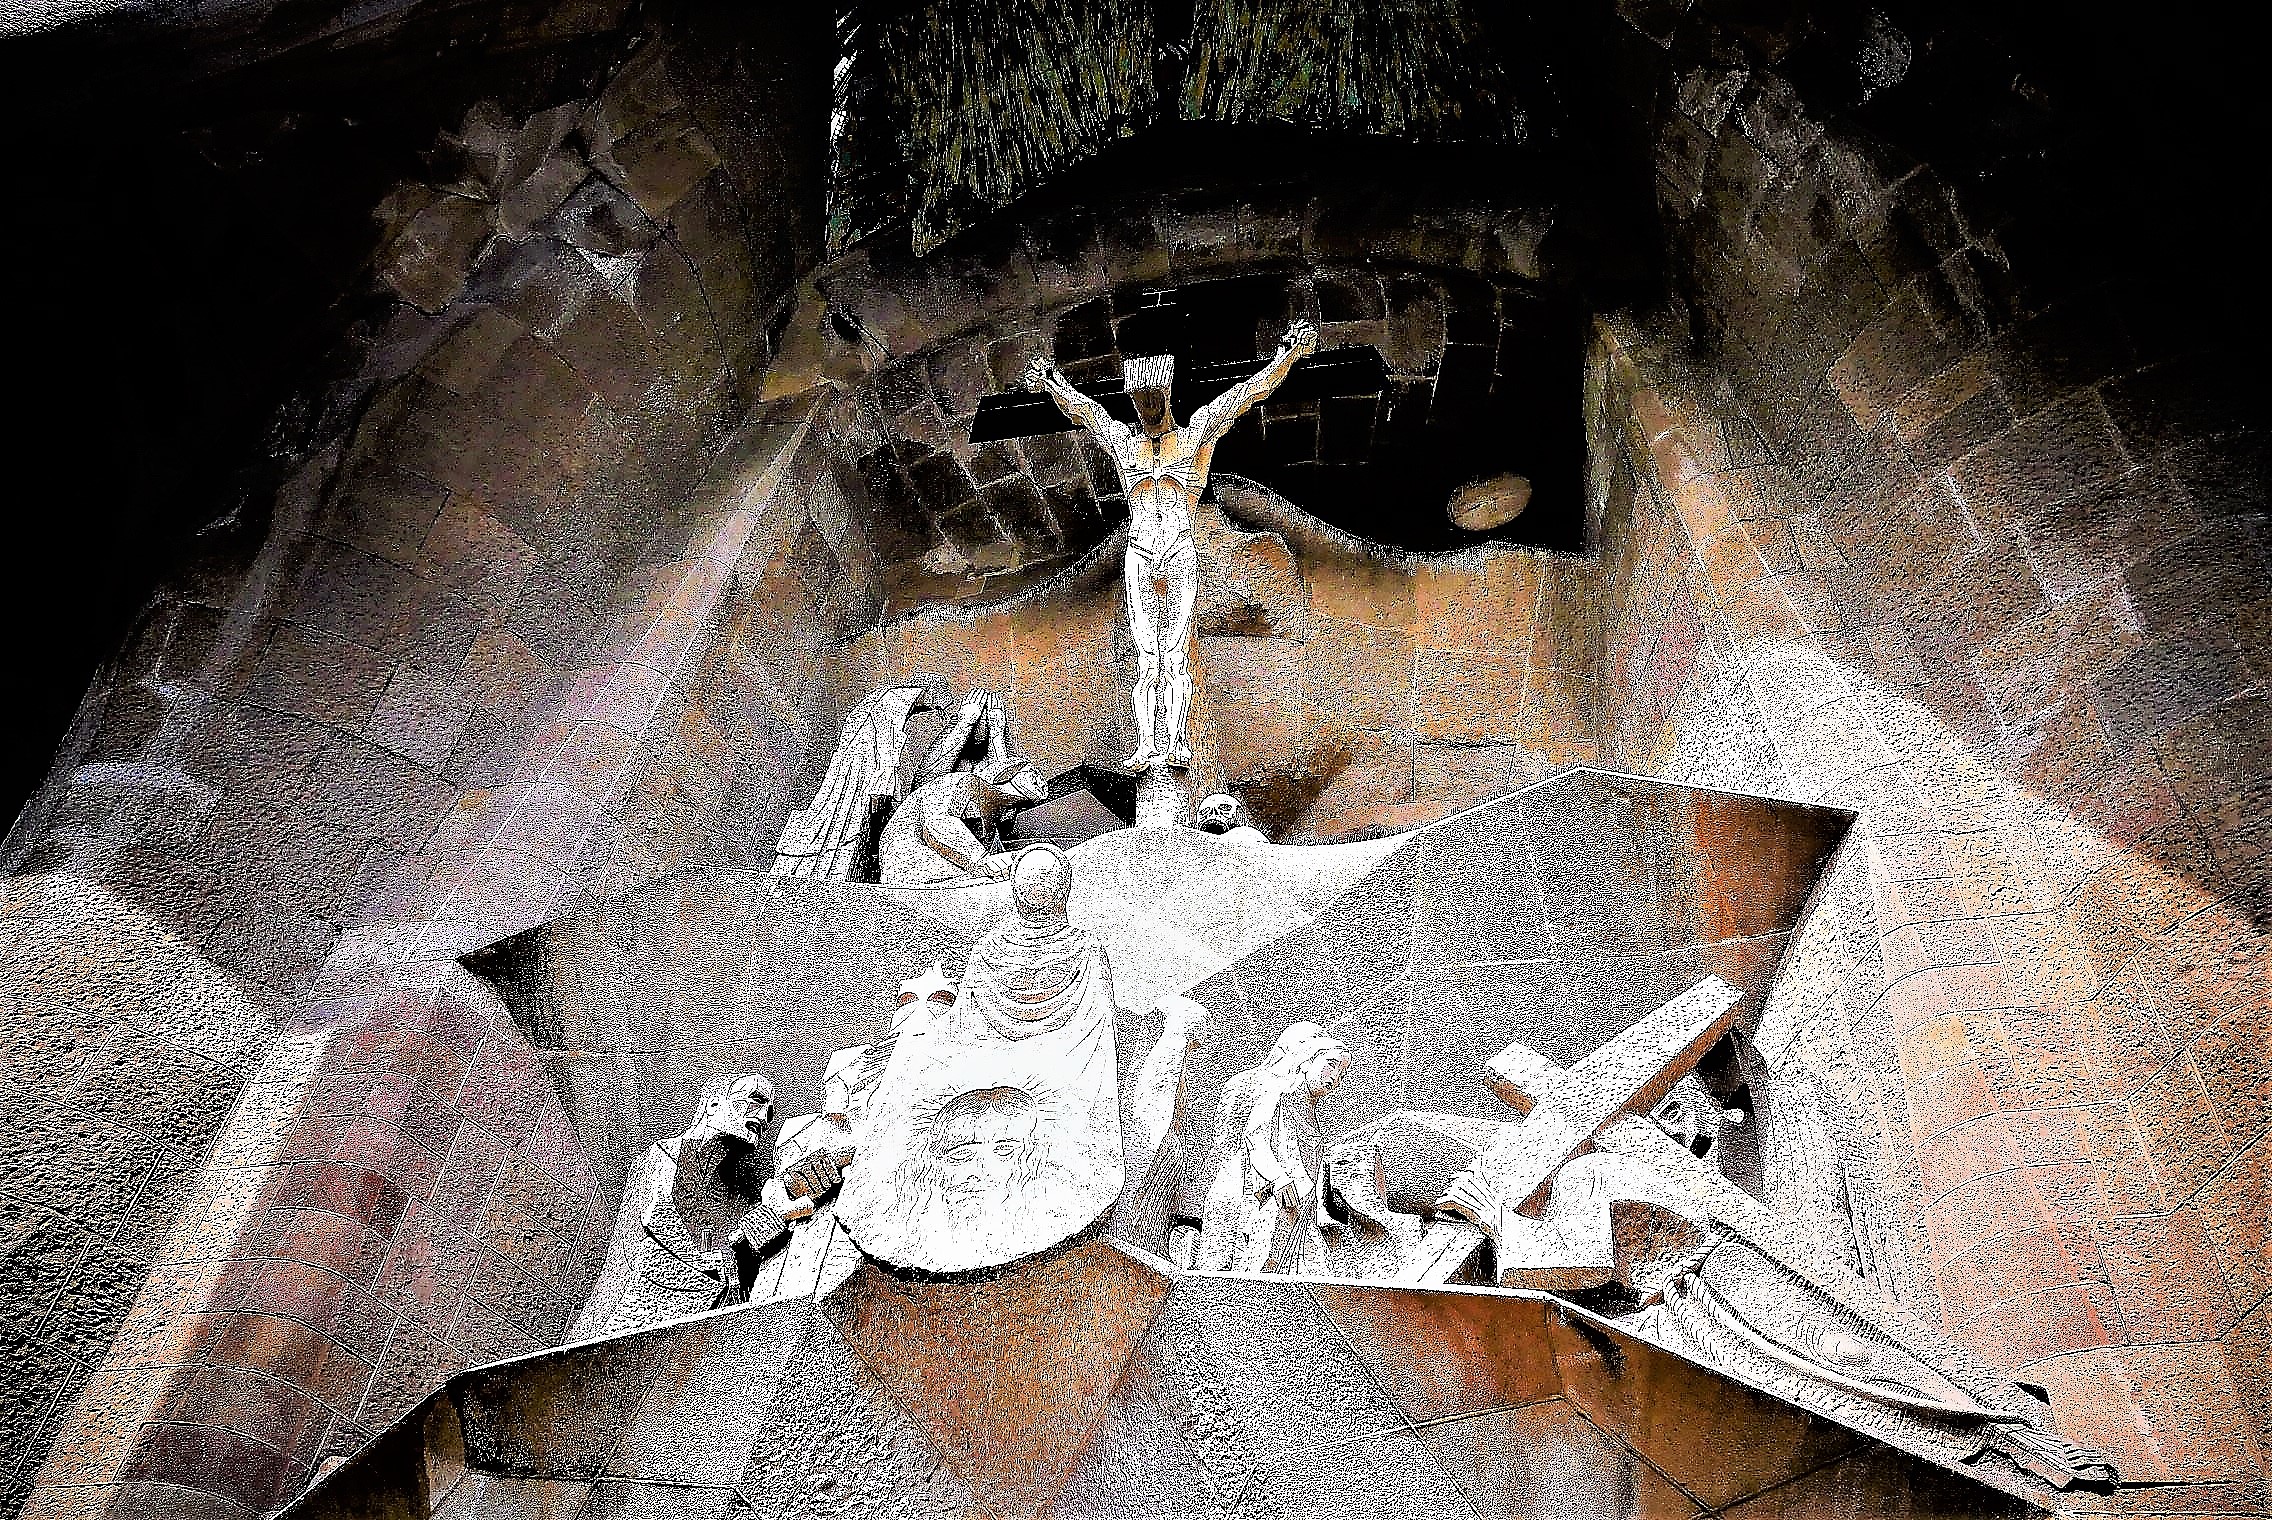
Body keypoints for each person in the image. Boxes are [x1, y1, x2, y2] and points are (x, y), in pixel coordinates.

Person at [1027, 321, 1318, 772]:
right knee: (1146, 653)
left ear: (1165, 396)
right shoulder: (1124, 442)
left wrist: (1287, 357)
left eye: (1153, 403)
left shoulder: (1197, 432)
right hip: (1140, 550)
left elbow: (1248, 393)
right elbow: (1085, 412)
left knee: (1177, 649)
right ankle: (1147, 743)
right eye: (1139, 404)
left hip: (1180, 547)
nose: (1146, 412)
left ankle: (1178, 741)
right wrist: (1053, 383)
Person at [571, 1073, 784, 1339]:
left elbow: (707, 1237)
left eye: (769, 1112)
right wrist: (753, 1228)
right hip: (631, 1328)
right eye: (754, 1100)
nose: (763, 1118)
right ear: (714, 1104)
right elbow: (666, 1224)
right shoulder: (664, 1157)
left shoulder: (722, 1188)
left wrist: (757, 1227)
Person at [1194, 1022, 1352, 1274]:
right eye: (1331, 1065)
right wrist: (1278, 1177)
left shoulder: (1311, 1115)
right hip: (1266, 1197)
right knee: (1256, 1268)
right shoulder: (1278, 1092)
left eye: (1342, 1074)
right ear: (1306, 1060)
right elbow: (1255, 1136)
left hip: (1300, 1207)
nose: (1335, 1078)